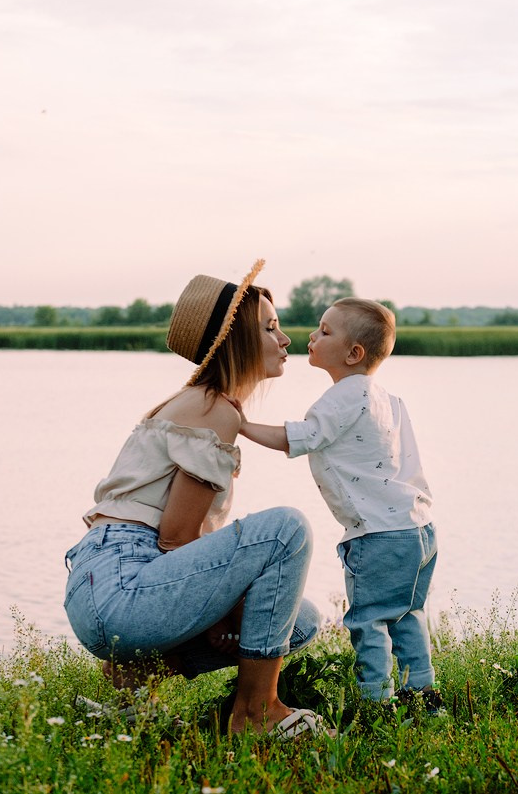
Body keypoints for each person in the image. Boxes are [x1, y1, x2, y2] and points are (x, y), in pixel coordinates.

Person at [63, 259, 333, 739]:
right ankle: (256, 713)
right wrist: (224, 615)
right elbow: (176, 538)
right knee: (286, 529)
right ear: (238, 341)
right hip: (123, 585)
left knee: (300, 619)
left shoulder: (205, 402)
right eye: (271, 328)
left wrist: (227, 609)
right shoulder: (214, 409)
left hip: (109, 588)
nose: (285, 339)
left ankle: (131, 684)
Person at [237, 298, 440, 708]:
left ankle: (375, 703)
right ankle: (422, 695)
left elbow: (298, 438)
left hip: (377, 535)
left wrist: (240, 424)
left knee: (368, 619)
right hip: (417, 528)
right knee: (406, 615)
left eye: (325, 331)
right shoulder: (388, 399)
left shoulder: (343, 396)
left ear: (353, 353)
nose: (312, 336)